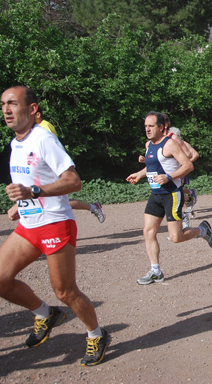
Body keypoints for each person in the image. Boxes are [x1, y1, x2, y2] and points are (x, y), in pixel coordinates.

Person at [0, 86, 109, 366]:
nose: (6, 110)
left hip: (55, 224)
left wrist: (33, 192)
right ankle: (45, 313)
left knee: (65, 291)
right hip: (29, 224)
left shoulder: (43, 139)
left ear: (33, 109)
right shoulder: (15, 143)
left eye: (13, 103)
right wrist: (20, 204)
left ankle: (96, 334)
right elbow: (28, 184)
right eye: (3, 104)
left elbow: (73, 182)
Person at [126, 111, 212, 285]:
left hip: (171, 195)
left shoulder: (170, 144)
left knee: (176, 237)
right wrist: (139, 174)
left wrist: (169, 177)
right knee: (148, 231)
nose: (147, 129)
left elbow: (188, 165)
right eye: (145, 126)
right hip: (155, 195)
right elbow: (153, 168)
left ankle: (202, 230)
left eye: (151, 126)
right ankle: (155, 271)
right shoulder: (148, 145)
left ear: (161, 127)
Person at [34, 109, 106, 223]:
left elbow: (51, 151)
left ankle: (93, 207)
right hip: (42, 172)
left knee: (57, 202)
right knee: (49, 202)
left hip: (52, 170)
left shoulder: (44, 127)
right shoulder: (36, 129)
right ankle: (93, 207)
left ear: (37, 114)